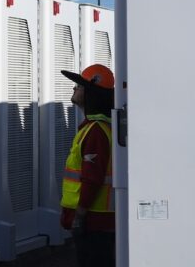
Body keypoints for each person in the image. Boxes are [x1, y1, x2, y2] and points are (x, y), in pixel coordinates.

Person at [60, 63, 116, 267]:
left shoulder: (96, 132)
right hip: (97, 221)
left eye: (79, 86)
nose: (74, 89)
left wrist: (80, 215)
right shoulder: (100, 128)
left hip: (94, 221)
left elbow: (92, 178)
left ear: (92, 93)